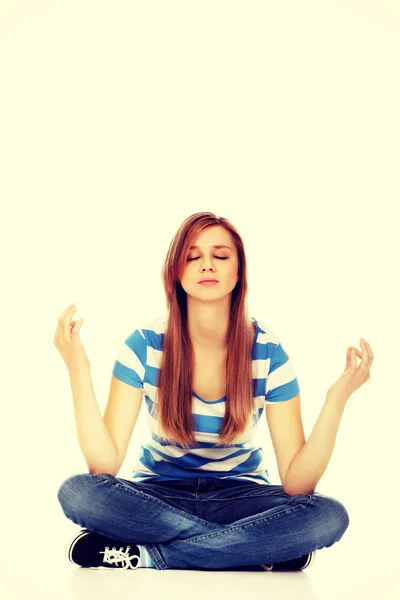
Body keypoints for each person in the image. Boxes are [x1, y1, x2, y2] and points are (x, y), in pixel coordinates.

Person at [54, 211, 373, 571]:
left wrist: (336, 400)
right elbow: (104, 465)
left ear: (238, 272)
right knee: (78, 493)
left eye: (220, 256)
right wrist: (78, 371)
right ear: (177, 271)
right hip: (159, 496)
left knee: (328, 516)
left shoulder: (267, 353)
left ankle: (150, 556)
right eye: (193, 257)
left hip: (241, 496)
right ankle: (253, 547)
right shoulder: (144, 346)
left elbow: (298, 484)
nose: (207, 265)